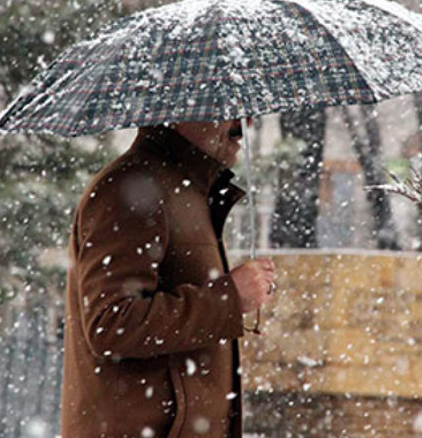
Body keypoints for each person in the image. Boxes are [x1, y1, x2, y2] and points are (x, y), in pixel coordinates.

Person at [60, 118, 276, 438]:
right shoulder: (130, 188)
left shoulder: (182, 189)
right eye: (226, 110)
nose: (244, 125)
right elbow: (111, 323)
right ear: (181, 112)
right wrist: (230, 298)